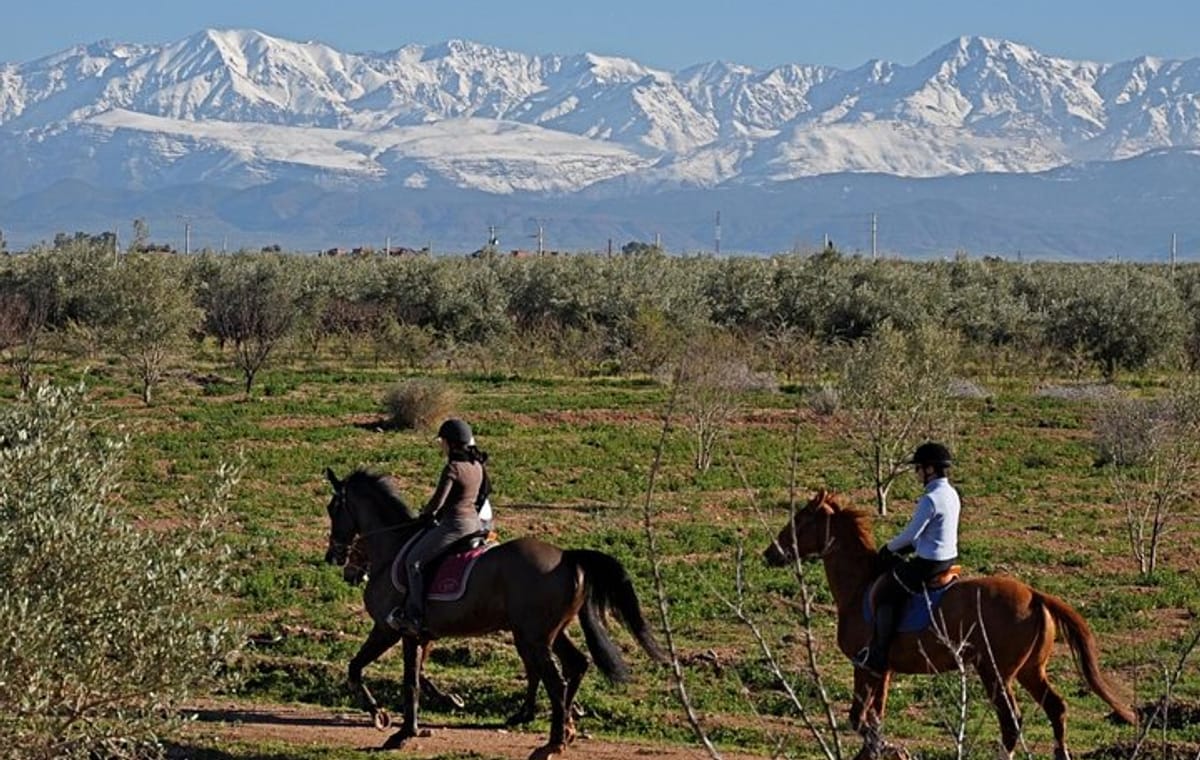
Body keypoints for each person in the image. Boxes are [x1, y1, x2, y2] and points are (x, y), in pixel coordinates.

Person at [852, 441, 961, 676]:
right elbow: (933, 533)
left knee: (885, 591)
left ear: (930, 469)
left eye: (918, 468)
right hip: (948, 558)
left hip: (928, 563)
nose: (916, 473)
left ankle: (879, 654)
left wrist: (888, 548)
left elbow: (911, 534)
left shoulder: (930, 499)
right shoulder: (951, 493)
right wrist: (910, 547)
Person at [386, 418, 488, 636]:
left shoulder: (453, 468)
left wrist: (425, 515)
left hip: (454, 526)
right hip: (475, 524)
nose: (441, 446)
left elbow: (437, 502)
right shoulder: (477, 465)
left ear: (451, 443)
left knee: (413, 562)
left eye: (443, 442)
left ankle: (415, 616)